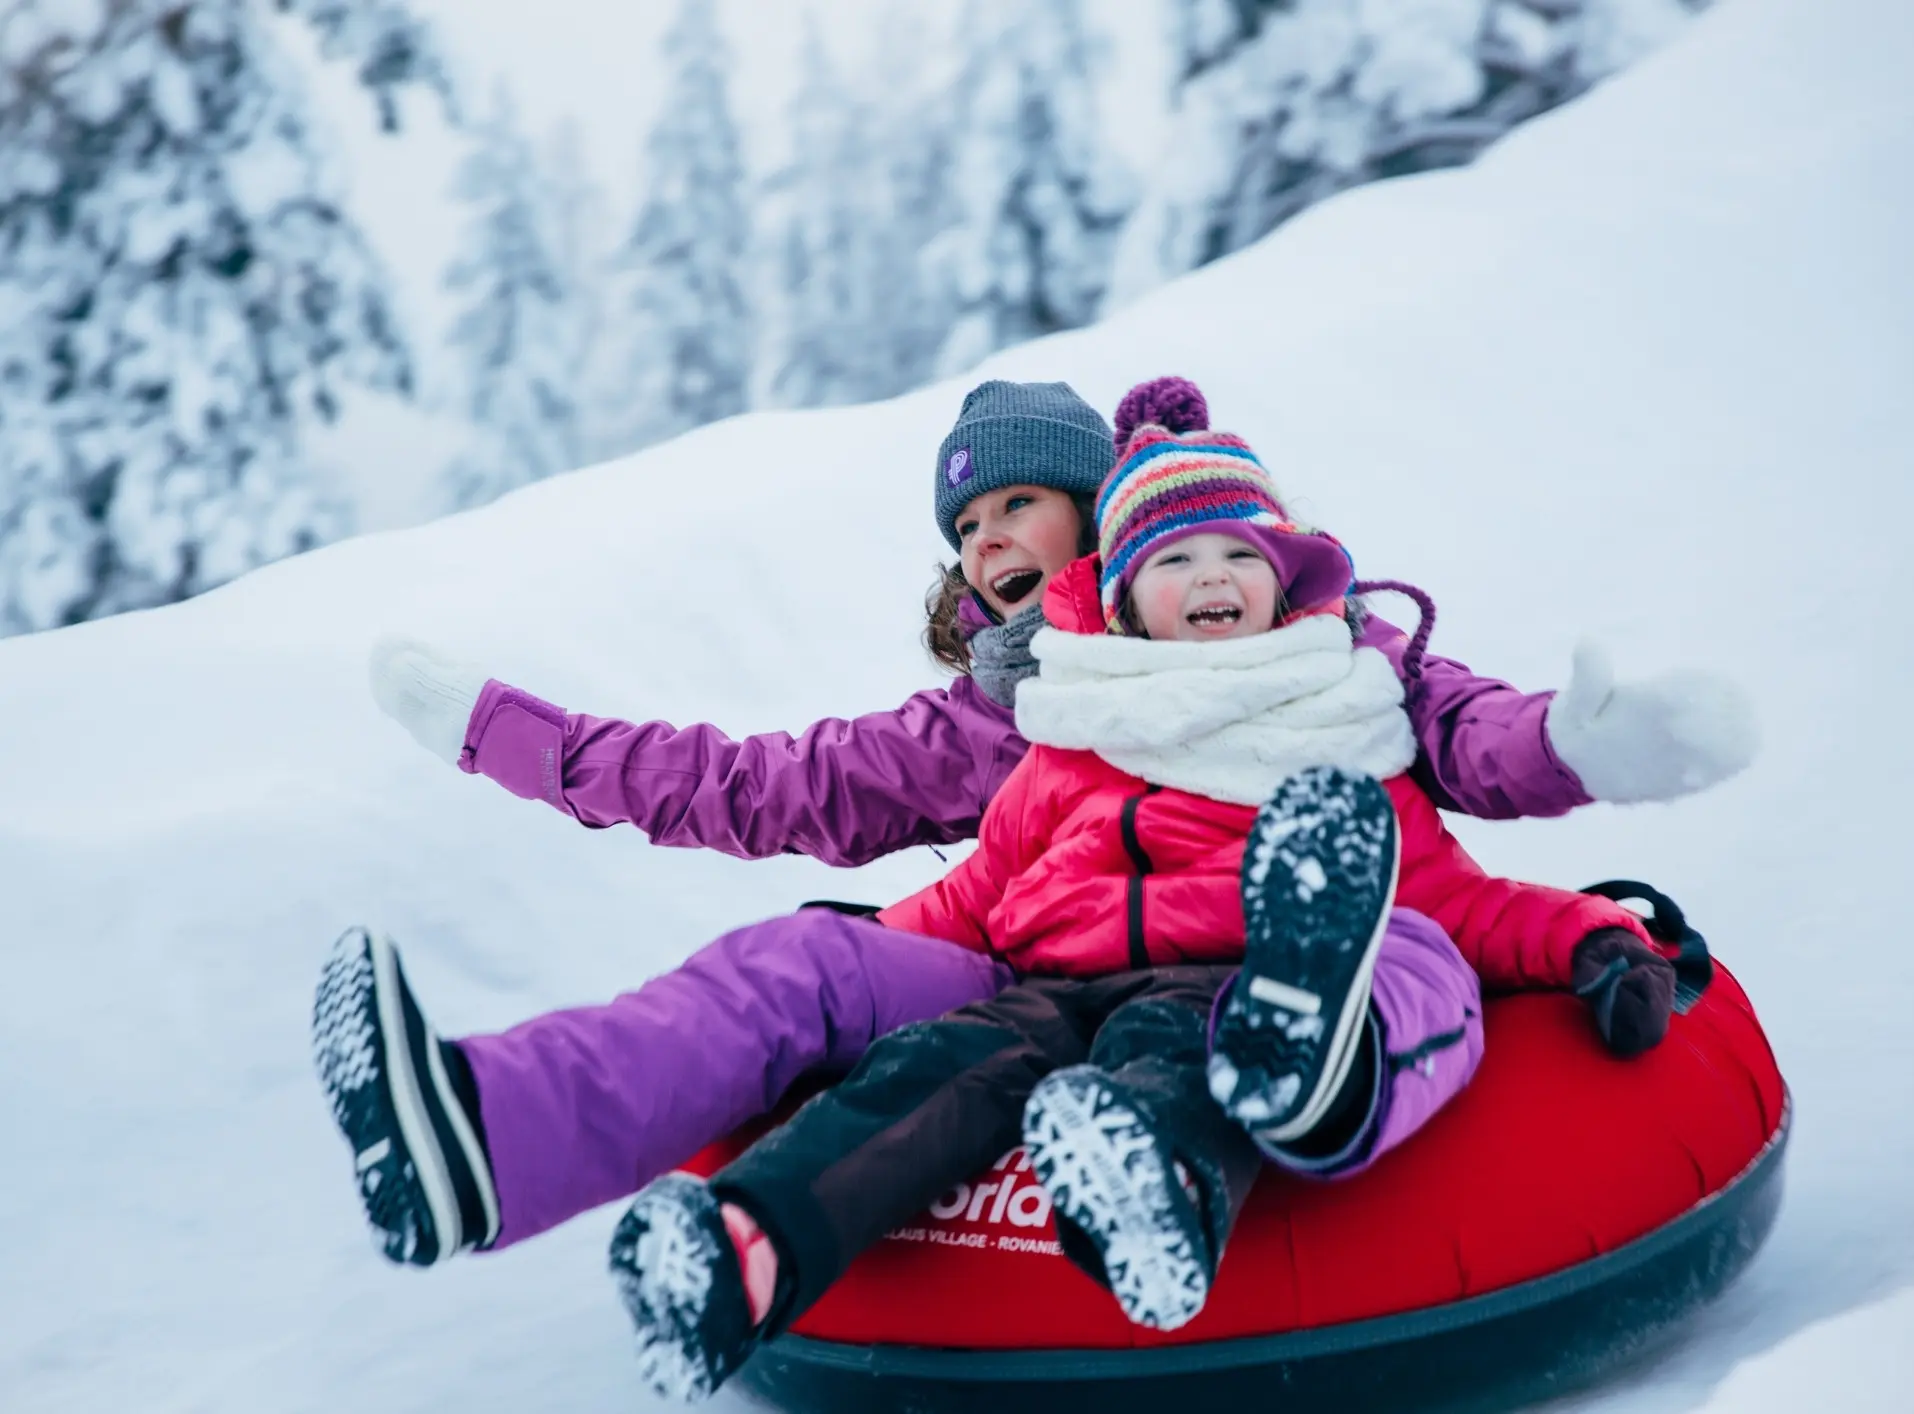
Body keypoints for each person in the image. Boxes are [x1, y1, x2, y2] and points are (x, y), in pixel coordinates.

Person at [329, 377, 1755, 1267]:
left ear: (1108, 520)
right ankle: (487, 1135)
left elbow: (1465, 739)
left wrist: (1582, 744)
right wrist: (505, 732)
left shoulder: (1330, 654)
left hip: (1249, 962)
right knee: (803, 963)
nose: (990, 543)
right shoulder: (1010, 715)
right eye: (966, 531)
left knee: (1396, 958)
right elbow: (755, 786)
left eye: (1022, 502)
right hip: (1034, 973)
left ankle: (1295, 1074)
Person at [600, 417, 1717, 1403]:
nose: (1214, 575)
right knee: (935, 1066)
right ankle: (742, 1250)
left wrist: (1589, 934)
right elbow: (980, 892)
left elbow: (1446, 899)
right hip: (1048, 985)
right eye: (1176, 558)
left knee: (1165, 1048)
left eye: (1241, 554)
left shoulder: (1337, 718)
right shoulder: (1074, 731)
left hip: (1223, 974)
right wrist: (852, 965)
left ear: (1287, 586)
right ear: (1124, 601)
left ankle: (1161, 1183)